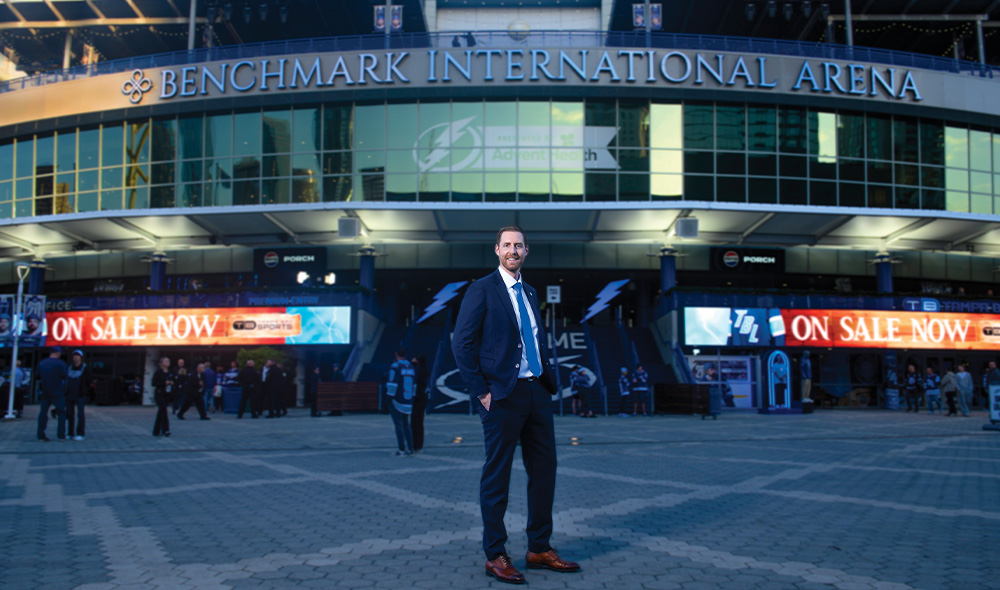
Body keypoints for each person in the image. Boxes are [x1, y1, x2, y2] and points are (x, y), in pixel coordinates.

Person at [452, 225, 579, 584]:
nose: (513, 250)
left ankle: (539, 547)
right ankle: (495, 554)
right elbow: (461, 344)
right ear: (497, 250)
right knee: (497, 477)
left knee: (544, 472)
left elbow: (532, 340)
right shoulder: (482, 289)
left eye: (518, 245)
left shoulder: (530, 291)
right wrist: (482, 392)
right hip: (502, 396)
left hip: (537, 392)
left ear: (526, 251)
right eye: (506, 244)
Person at [386, 347, 416, 456]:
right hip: (408, 400)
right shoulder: (411, 367)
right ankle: (411, 448)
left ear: (396, 354)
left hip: (397, 400)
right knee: (406, 424)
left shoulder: (395, 367)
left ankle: (401, 449)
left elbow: (392, 383)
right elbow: (414, 385)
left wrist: (389, 397)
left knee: (398, 424)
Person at [36, 346, 68, 442]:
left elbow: (37, 376)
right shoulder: (60, 363)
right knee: (61, 413)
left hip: (45, 391)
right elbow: (64, 376)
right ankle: (61, 435)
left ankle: (40, 434)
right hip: (57, 391)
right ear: (58, 353)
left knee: (43, 413)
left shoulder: (42, 363)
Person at [65, 350, 92, 441]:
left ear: (81, 357)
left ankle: (80, 433)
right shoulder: (69, 368)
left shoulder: (85, 368)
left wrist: (85, 392)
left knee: (80, 414)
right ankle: (70, 433)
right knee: (70, 414)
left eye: (78, 356)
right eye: (74, 356)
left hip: (80, 394)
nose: (76, 357)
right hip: (70, 394)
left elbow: (88, 381)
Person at [151, 356, 174, 437]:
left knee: (161, 412)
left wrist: (171, 383)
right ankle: (166, 430)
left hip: (167, 394)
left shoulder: (170, 372)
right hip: (159, 394)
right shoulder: (158, 372)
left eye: (169, 361)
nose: (168, 362)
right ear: (162, 363)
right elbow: (154, 383)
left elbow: (173, 381)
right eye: (166, 361)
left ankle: (156, 431)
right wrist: (164, 382)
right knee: (164, 411)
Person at [411, 354, 430, 452]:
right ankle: (419, 444)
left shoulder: (418, 371)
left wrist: (413, 363)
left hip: (417, 399)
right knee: (420, 422)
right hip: (423, 399)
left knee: (415, 423)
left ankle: (415, 444)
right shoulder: (425, 370)